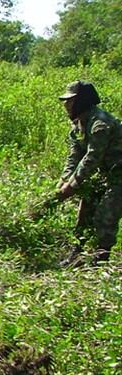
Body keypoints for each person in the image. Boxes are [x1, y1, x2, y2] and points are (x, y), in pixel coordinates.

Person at [56, 81, 122, 267]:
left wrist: (73, 184)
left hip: (119, 175)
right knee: (85, 212)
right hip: (105, 174)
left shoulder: (100, 124)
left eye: (70, 101)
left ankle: (101, 261)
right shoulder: (79, 125)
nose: (66, 105)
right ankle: (76, 254)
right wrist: (64, 180)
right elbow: (75, 155)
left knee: (105, 215)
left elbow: (92, 158)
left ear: (82, 101)